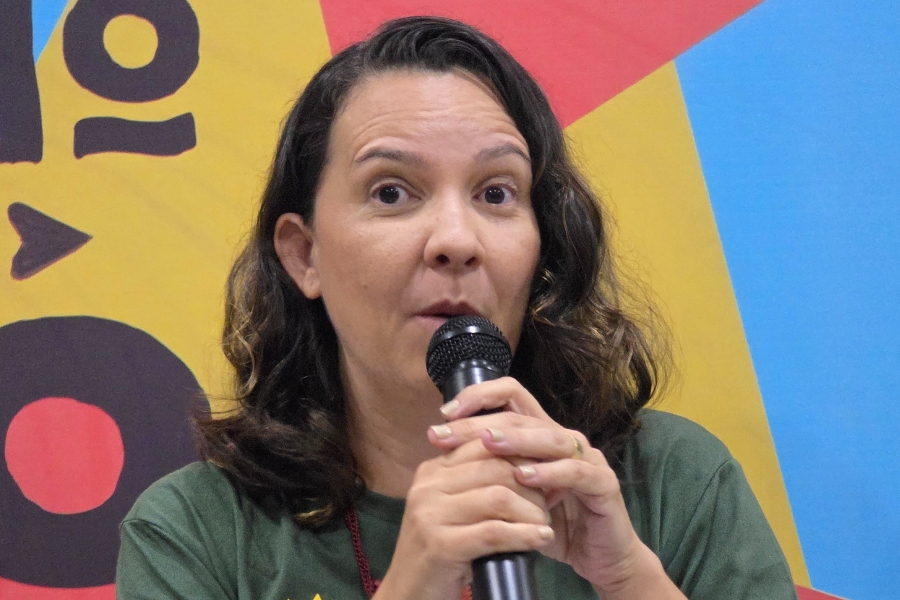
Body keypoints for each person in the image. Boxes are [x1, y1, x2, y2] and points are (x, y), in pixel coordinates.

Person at [115, 16, 798, 600]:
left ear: (544, 244)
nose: (455, 241)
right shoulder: (196, 532)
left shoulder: (671, 480)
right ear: (305, 255)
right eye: (391, 192)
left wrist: (628, 578)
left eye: (496, 193)